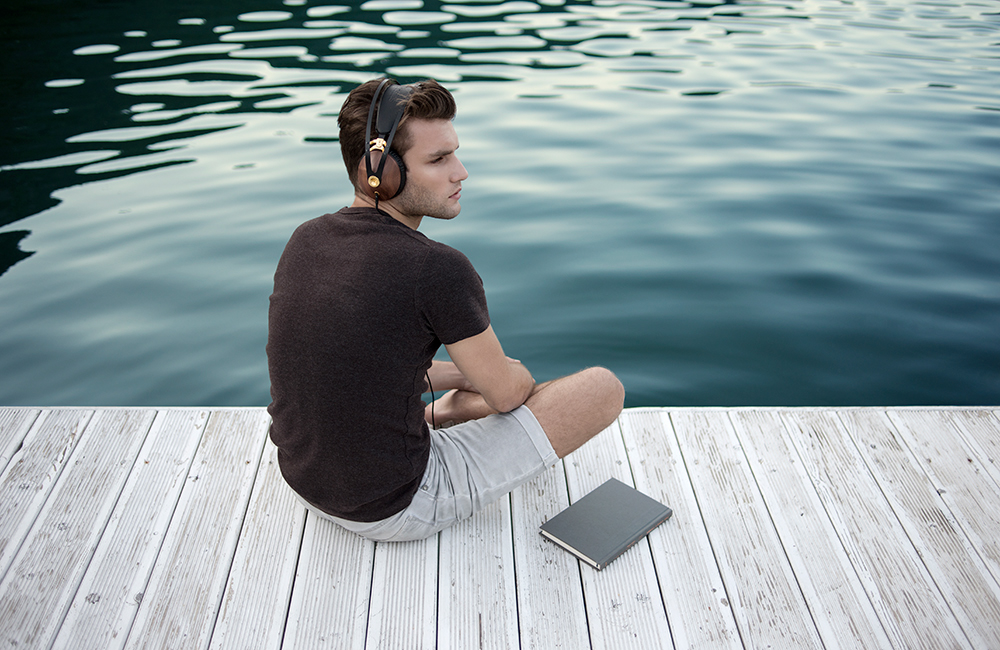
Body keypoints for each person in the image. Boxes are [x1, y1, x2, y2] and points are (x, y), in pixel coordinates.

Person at [266, 77, 624, 542]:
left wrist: (458, 376)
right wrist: (509, 376)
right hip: (394, 506)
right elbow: (508, 396)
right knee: (601, 388)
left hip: (304, 482)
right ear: (379, 172)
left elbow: (358, 358)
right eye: (438, 159)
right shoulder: (437, 268)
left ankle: (440, 410)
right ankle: (445, 412)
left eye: (454, 152)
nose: (461, 172)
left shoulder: (306, 238)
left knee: (469, 387)